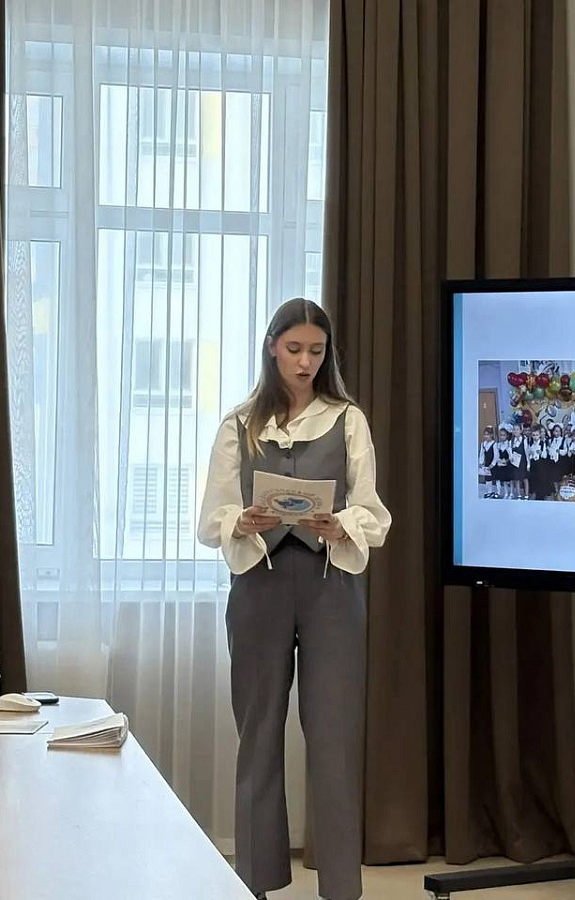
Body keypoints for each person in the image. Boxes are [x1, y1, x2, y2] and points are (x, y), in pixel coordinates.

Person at [197, 298, 391, 900]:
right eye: (294, 349)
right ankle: (255, 880)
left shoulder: (348, 420)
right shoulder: (238, 424)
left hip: (332, 586)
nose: (306, 362)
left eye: (316, 351)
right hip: (259, 584)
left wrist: (342, 525)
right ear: (272, 348)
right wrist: (242, 520)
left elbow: (372, 511)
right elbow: (211, 518)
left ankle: (340, 887)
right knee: (258, 735)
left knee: (333, 738)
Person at [479, 426, 497, 498]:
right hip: (486, 463)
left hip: (493, 464)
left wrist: (493, 464)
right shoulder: (483, 444)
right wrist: (481, 463)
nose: (486, 436)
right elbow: (482, 454)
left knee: (495, 478)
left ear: (491, 435)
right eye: (485, 434)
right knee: (487, 478)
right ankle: (489, 491)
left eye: (488, 435)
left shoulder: (494, 444)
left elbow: (496, 455)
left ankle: (497, 492)